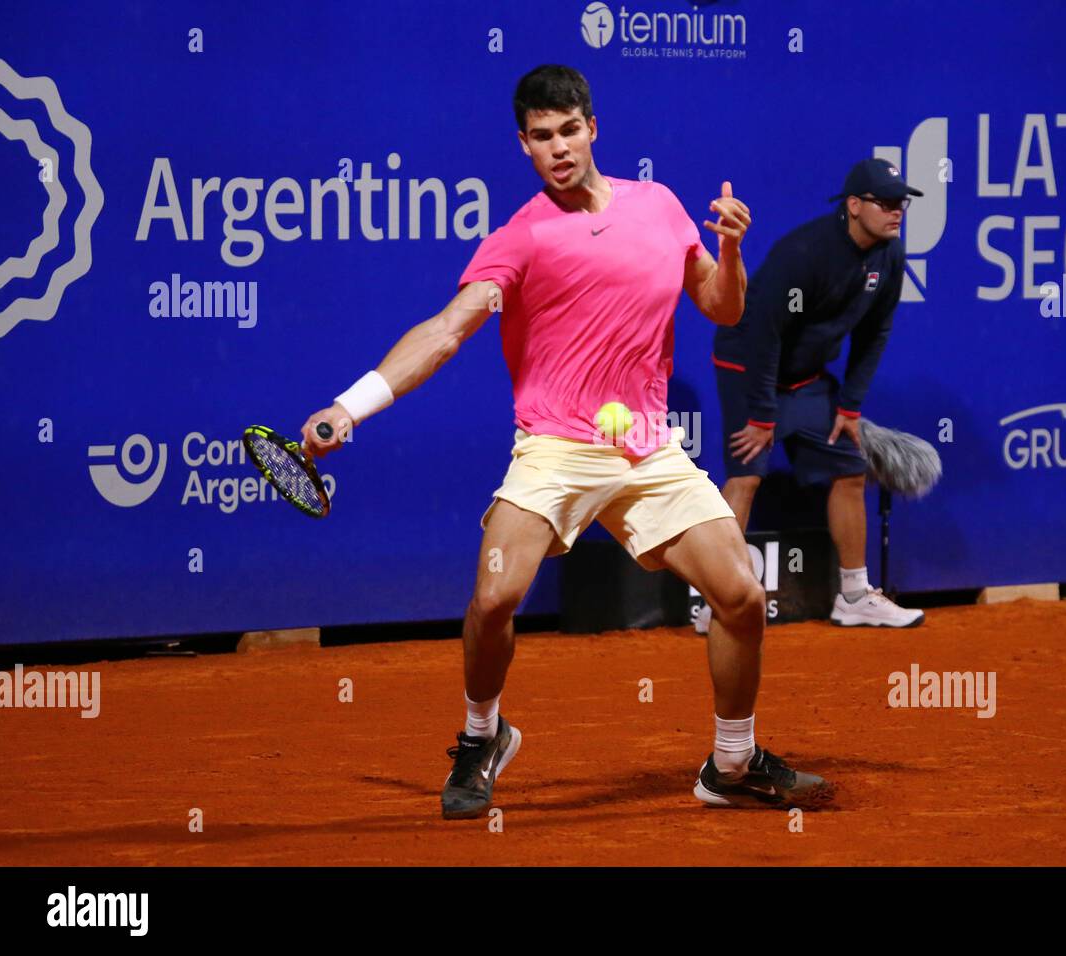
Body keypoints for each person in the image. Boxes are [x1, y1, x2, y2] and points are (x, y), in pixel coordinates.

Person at [300, 65, 833, 819]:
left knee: (742, 596)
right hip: (555, 445)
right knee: (495, 597)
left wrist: (733, 250)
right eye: (540, 136)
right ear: (523, 144)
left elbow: (720, 304)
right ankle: (483, 736)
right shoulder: (519, 238)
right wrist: (350, 408)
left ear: (592, 127)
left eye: (568, 130)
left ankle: (732, 761)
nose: (557, 147)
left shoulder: (661, 208)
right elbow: (447, 332)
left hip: (647, 447)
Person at [696, 158, 926, 634]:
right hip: (748, 367)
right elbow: (763, 333)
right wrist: (762, 414)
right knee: (746, 478)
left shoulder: (890, 256)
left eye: (900, 203)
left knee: (849, 469)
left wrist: (850, 406)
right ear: (854, 206)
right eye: (884, 203)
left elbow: (875, 332)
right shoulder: (806, 253)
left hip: (805, 378)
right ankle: (717, 604)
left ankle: (855, 596)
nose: (896, 211)